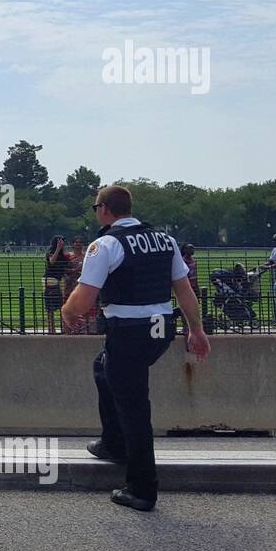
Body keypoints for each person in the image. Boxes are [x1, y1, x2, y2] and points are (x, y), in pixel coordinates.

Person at [61, 185, 210, 512]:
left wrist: (66, 312)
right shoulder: (165, 241)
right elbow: (184, 291)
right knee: (103, 369)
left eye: (95, 207)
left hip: (128, 332)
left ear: (103, 210)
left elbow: (84, 297)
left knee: (135, 408)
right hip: (160, 332)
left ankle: (142, 489)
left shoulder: (106, 245)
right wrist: (196, 330)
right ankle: (113, 443)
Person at [61, 237, 96, 335]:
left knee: (85, 307)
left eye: (80, 242)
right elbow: (62, 270)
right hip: (70, 286)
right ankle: (68, 330)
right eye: (76, 242)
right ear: (72, 244)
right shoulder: (67, 257)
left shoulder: (86, 256)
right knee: (69, 307)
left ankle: (86, 330)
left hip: (83, 286)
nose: (78, 244)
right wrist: (75, 270)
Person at [43, 236, 70, 333]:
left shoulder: (63, 254)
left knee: (60, 303)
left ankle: (63, 327)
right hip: (50, 279)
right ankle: (51, 329)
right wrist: (58, 248)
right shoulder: (51, 251)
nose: (62, 243)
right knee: (51, 305)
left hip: (59, 279)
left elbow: (64, 266)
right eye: (59, 241)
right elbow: (52, 261)